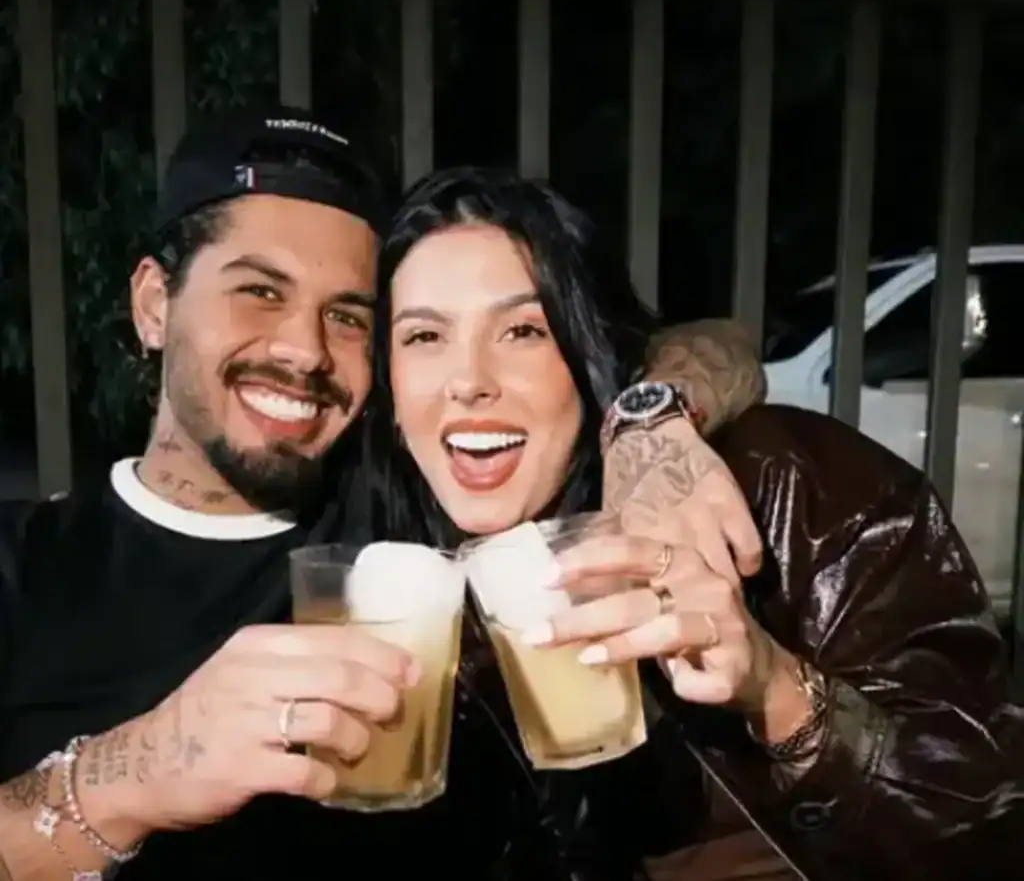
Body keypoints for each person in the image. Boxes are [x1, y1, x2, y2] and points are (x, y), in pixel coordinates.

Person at [0, 109, 767, 881]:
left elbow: (715, 343)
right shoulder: (23, 567)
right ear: (154, 304)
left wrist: (649, 423)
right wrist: (134, 772)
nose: (305, 350)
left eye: (346, 317)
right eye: (260, 291)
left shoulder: (404, 527)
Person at [364, 166, 1024, 880]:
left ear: (590, 353)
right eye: (425, 336)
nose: (468, 380)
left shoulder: (787, 491)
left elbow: (989, 831)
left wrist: (775, 692)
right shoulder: (390, 566)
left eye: (524, 329)